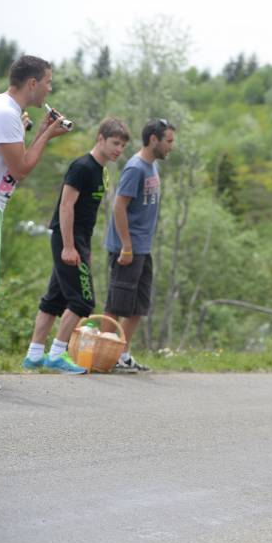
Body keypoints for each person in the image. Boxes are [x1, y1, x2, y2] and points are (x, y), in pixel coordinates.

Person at [22, 118, 130, 373]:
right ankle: (57, 354)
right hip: (66, 237)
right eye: (115, 143)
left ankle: (34, 355)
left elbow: (87, 215)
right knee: (83, 301)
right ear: (100, 139)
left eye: (123, 146)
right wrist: (69, 247)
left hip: (79, 240)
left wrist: (84, 249)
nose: (118, 149)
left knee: (54, 300)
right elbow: (66, 205)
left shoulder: (101, 171)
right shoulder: (82, 167)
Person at [0, 56, 70, 392]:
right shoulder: (5, 112)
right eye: (48, 81)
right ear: (33, 83)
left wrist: (27, 133)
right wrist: (47, 134)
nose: (50, 88)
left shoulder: (3, 110)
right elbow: (21, 168)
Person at [101, 118, 175, 372]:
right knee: (117, 304)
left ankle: (121, 354)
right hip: (127, 248)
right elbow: (119, 206)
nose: (171, 147)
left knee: (138, 306)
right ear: (153, 140)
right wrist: (126, 246)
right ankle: (104, 356)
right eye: (169, 141)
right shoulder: (136, 168)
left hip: (143, 247)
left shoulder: (152, 167)